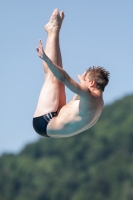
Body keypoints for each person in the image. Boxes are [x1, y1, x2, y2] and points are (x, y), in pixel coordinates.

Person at [33, 8, 110, 138]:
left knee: (53, 77)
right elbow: (78, 97)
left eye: (85, 81)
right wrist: (83, 80)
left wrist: (46, 58)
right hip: (56, 118)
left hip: (45, 122)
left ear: (91, 83)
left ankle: (53, 30)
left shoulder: (88, 95)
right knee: (56, 79)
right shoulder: (98, 102)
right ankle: (54, 30)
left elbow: (64, 77)